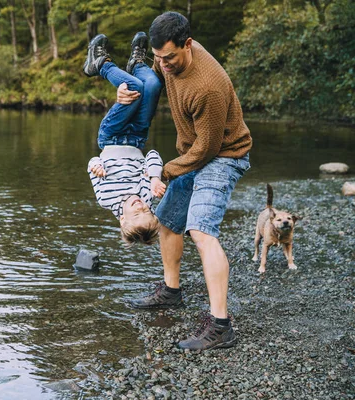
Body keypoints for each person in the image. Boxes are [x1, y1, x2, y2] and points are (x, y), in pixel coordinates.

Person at [119, 12, 253, 350]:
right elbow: (151, 82)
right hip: (194, 152)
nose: (163, 64)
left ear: (188, 45)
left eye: (169, 57)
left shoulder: (207, 86)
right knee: (167, 219)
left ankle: (221, 326)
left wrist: (163, 171)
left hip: (224, 155)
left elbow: (206, 150)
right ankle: (171, 292)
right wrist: (126, 92)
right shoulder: (169, 59)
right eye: (158, 57)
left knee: (200, 230)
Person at [84, 32, 166, 245]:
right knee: (153, 85)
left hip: (111, 135)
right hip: (138, 136)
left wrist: (96, 166)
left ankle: (100, 64)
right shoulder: (146, 196)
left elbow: (92, 163)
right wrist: (155, 177)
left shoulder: (106, 198)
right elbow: (152, 155)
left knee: (135, 88)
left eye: (137, 214)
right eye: (147, 211)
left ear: (122, 219)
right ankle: (137, 63)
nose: (141, 206)